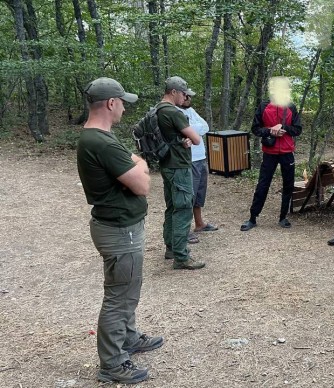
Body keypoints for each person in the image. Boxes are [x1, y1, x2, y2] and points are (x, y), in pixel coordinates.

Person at [77, 77, 164, 384]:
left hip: (119, 227)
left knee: (127, 289)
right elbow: (142, 185)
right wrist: (141, 165)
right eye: (123, 102)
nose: (125, 108)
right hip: (119, 230)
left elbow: (133, 163)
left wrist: (136, 162)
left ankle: (127, 338)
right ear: (111, 103)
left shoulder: (99, 138)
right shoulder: (101, 142)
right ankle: (112, 363)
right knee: (120, 297)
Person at [240, 76, 302, 231]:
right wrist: (270, 130)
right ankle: (253, 218)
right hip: (270, 151)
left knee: (288, 185)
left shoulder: (291, 107)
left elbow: (298, 129)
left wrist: (284, 127)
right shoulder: (264, 106)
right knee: (263, 184)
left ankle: (283, 217)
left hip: (287, 152)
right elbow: (255, 129)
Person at [159, 76, 205, 270]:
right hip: (179, 166)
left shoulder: (157, 110)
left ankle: (170, 247)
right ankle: (181, 256)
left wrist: (181, 139)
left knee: (171, 207)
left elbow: (169, 137)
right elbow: (196, 139)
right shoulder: (173, 112)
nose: (185, 97)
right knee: (183, 209)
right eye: (184, 93)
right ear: (174, 92)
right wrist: (188, 138)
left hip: (166, 164)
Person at [177, 94, 218, 245]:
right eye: (186, 95)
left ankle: (199, 224)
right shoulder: (176, 112)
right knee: (189, 195)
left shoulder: (191, 111)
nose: (189, 98)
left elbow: (205, 126)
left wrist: (193, 130)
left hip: (201, 157)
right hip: (190, 159)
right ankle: (184, 230)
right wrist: (195, 130)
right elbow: (186, 130)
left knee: (200, 193)